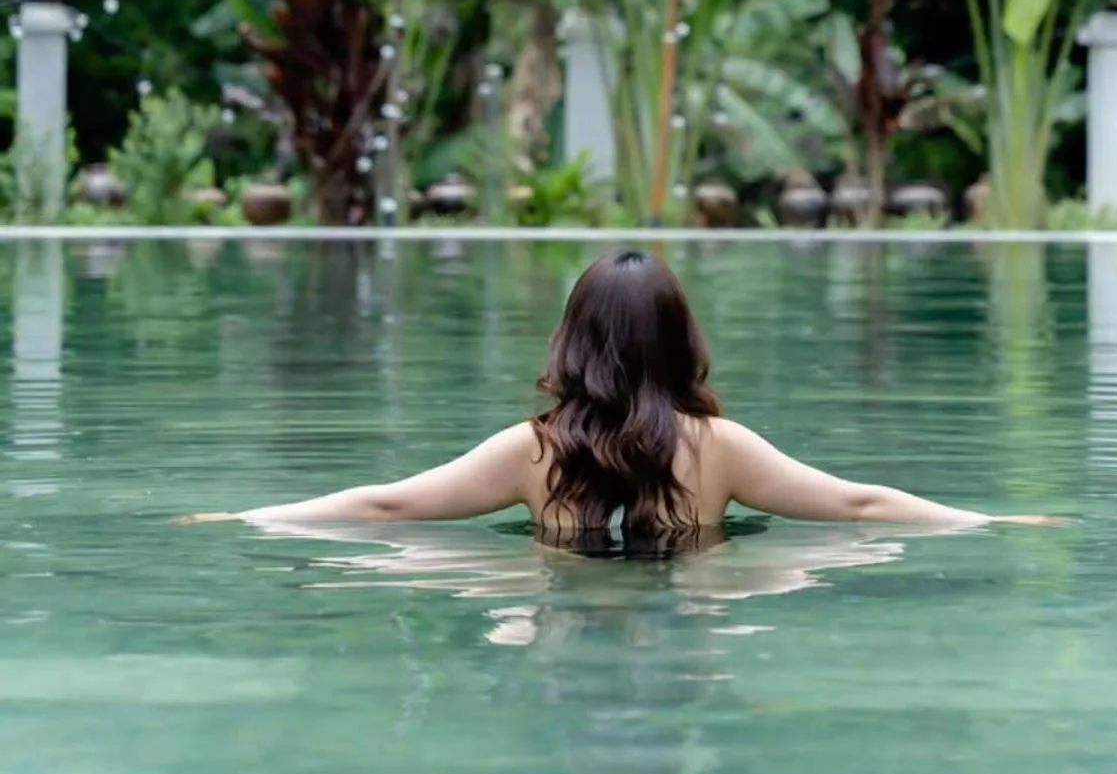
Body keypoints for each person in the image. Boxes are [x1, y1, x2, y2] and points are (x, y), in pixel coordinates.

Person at [183, 248, 1062, 541]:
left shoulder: (530, 450)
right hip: (688, 597)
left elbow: (386, 505)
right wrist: (988, 524)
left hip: (558, 601)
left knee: (453, 579)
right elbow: (861, 505)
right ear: (682, 340)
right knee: (786, 576)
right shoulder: (718, 450)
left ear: (572, 337)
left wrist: (254, 519)